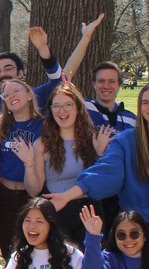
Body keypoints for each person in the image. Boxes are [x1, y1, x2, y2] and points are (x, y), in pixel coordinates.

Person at [48, 84, 149, 244]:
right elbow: (107, 172)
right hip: (129, 226)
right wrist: (67, 196)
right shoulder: (126, 140)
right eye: (145, 102)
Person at [0, 13, 106, 115]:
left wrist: (84, 38)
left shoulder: (35, 97)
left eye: (8, 68)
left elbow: (63, 76)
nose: (3, 73)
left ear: (21, 73)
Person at [18, 82, 113, 244]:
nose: (62, 111)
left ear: (78, 108)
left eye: (68, 104)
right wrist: (29, 164)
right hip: (57, 212)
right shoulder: (42, 144)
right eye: (57, 106)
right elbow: (34, 190)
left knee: (88, 264)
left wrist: (99, 154)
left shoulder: (94, 139)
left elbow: (102, 182)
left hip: (89, 211)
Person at [0, 78, 45, 258]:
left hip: (30, 197)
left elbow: (36, 187)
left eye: (16, 91)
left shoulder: (43, 126)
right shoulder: (1, 126)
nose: (11, 96)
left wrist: (28, 161)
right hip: (5, 196)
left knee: (31, 249)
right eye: (6, 95)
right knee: (8, 248)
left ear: (29, 95)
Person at [86, 62, 137, 133]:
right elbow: (65, 76)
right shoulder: (85, 109)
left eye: (111, 81)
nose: (106, 86)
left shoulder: (131, 120)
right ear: (94, 84)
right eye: (101, 81)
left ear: (119, 85)